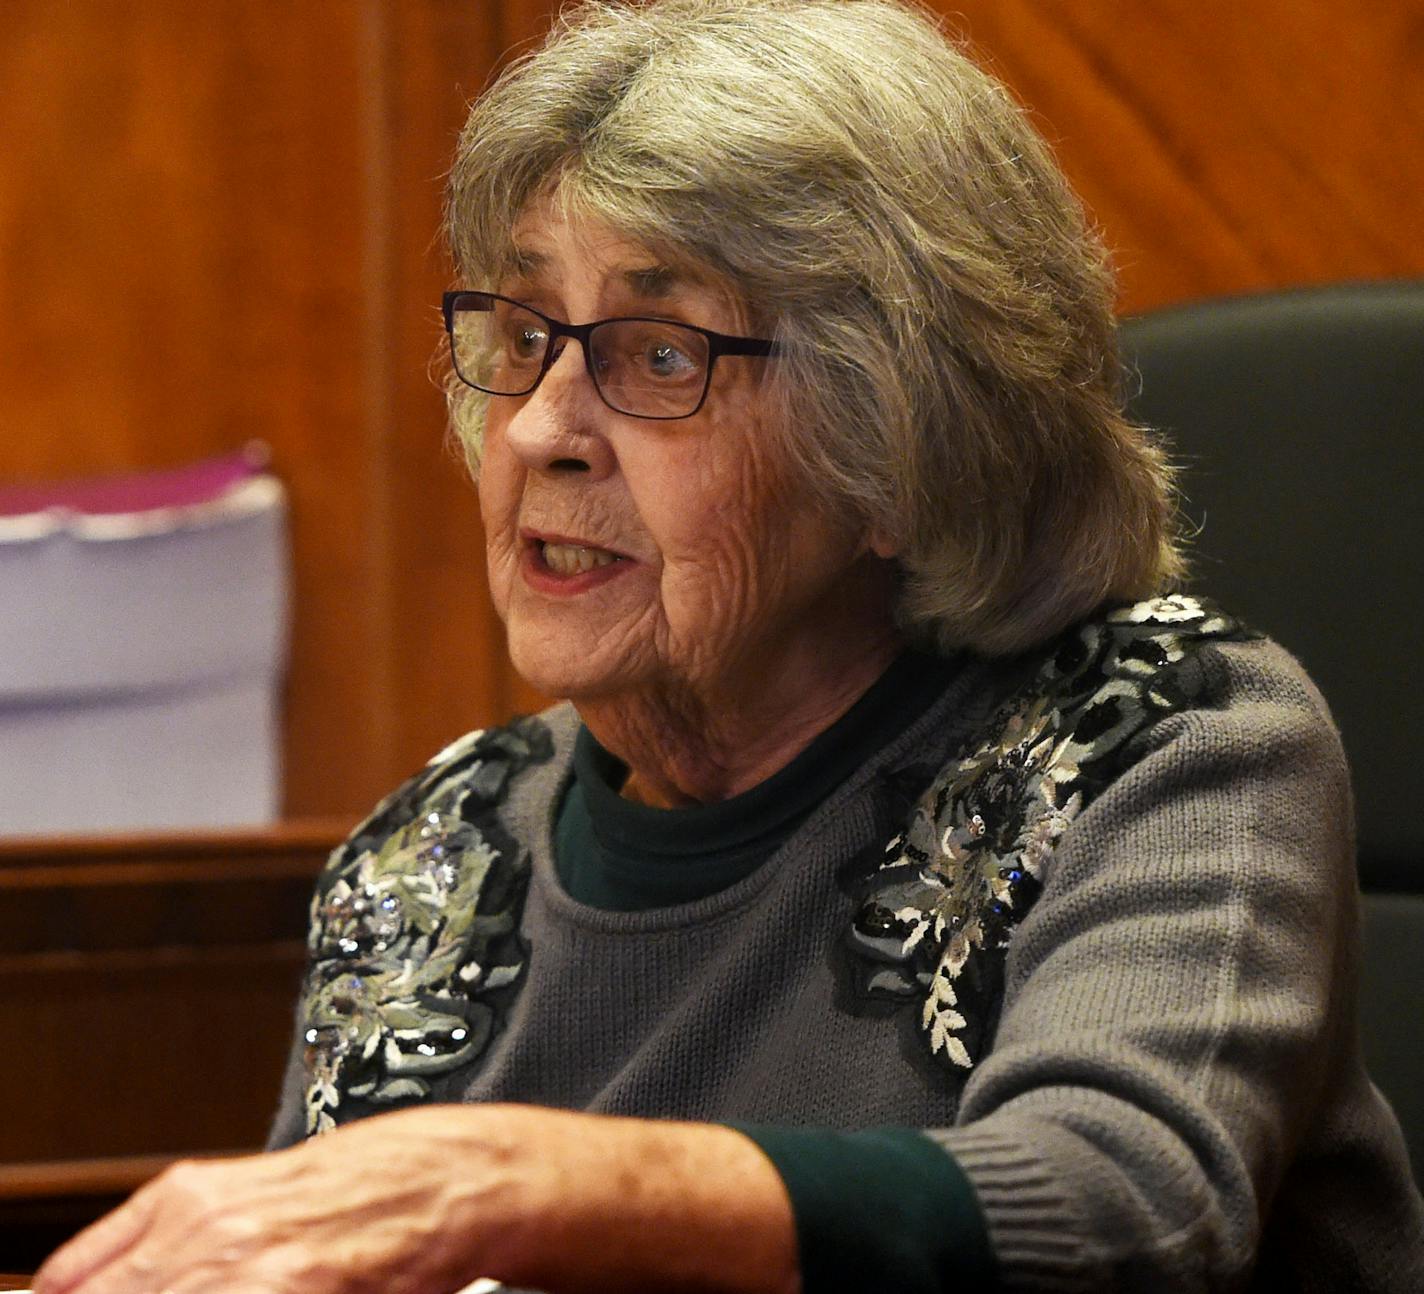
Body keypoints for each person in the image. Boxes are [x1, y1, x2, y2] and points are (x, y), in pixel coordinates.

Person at [35, 0, 1424, 1290]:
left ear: (899, 440)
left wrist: (523, 1181)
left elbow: (1131, 1204)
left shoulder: (1168, 743)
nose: (538, 430)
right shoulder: (436, 857)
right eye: (524, 333)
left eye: (656, 353)